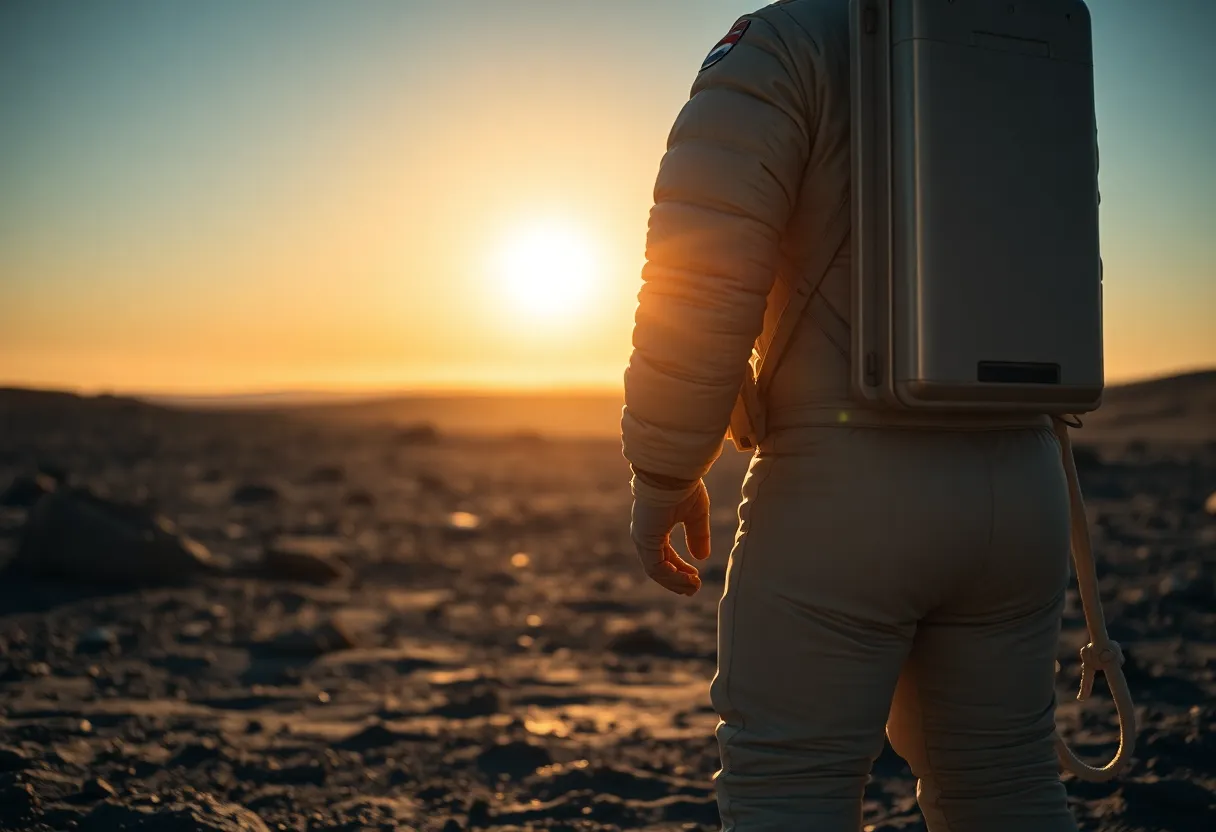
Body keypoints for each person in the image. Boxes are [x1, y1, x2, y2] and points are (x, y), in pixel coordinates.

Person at [621, 1, 1081, 829]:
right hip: (1023, 484)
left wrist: (664, 470)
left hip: (843, 492)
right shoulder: (1030, 31)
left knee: (788, 793)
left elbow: (700, 278)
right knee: (1006, 788)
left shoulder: (787, 40)